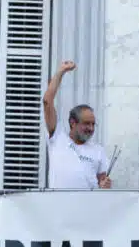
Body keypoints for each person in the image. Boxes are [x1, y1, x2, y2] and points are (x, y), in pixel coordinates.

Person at [43, 61, 111, 190]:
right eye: (86, 124)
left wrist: (105, 186)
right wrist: (61, 71)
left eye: (93, 124)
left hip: (88, 203)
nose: (91, 128)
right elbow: (47, 102)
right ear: (73, 123)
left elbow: (102, 183)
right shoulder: (57, 138)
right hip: (58, 203)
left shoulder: (98, 151)